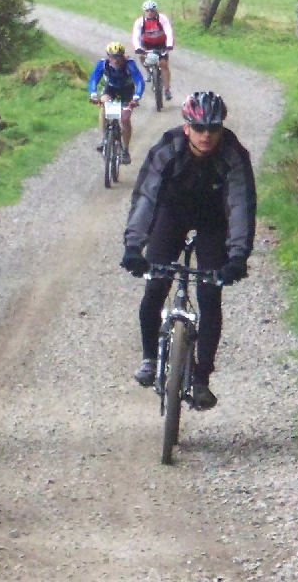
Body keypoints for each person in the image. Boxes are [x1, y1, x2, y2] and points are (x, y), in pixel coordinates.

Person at [120, 91, 256, 410]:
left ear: (221, 128)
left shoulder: (233, 154)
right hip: (171, 213)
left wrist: (238, 257)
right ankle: (150, 358)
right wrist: (133, 246)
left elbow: (240, 206)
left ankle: (201, 378)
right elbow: (145, 197)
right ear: (186, 127)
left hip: (213, 221)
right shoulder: (168, 148)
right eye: (199, 128)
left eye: (212, 127)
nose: (206, 134)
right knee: (155, 285)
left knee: (210, 295)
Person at [88, 41, 144, 166]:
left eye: (118, 56)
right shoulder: (103, 64)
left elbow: (139, 81)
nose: (116, 60)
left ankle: (125, 150)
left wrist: (136, 97)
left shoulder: (130, 65)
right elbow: (93, 79)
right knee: (104, 108)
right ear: (108, 57)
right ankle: (104, 140)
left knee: (125, 119)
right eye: (113, 57)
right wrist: (93, 94)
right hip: (111, 89)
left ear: (123, 56)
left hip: (127, 91)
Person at [132, 0, 174, 101]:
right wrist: (137, 48)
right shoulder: (140, 21)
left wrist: (169, 45)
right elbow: (135, 36)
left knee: (163, 64)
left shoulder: (162, 19)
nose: (150, 13)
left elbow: (168, 32)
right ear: (144, 11)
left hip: (161, 44)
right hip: (147, 44)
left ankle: (167, 90)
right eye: (147, 11)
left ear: (156, 10)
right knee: (142, 56)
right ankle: (149, 72)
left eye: (152, 10)